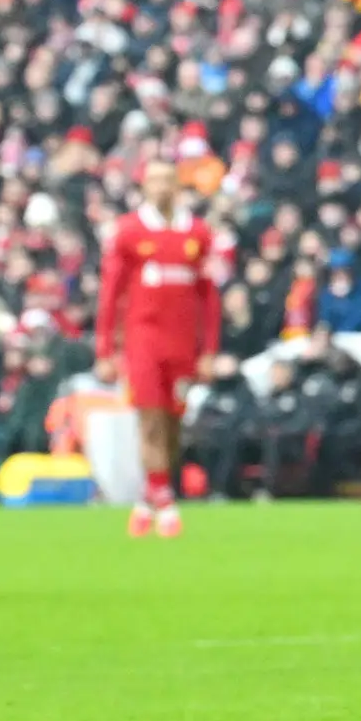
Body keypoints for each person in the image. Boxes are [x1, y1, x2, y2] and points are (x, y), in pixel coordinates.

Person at [96, 155, 225, 539]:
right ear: (144, 187)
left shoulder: (197, 234)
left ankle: (146, 496)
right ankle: (166, 503)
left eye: (168, 180)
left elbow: (209, 297)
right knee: (149, 418)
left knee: (173, 422)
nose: (161, 187)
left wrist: (210, 349)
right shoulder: (130, 231)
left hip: (183, 342)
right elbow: (111, 295)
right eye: (154, 180)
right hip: (143, 339)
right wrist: (105, 349)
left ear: (178, 186)